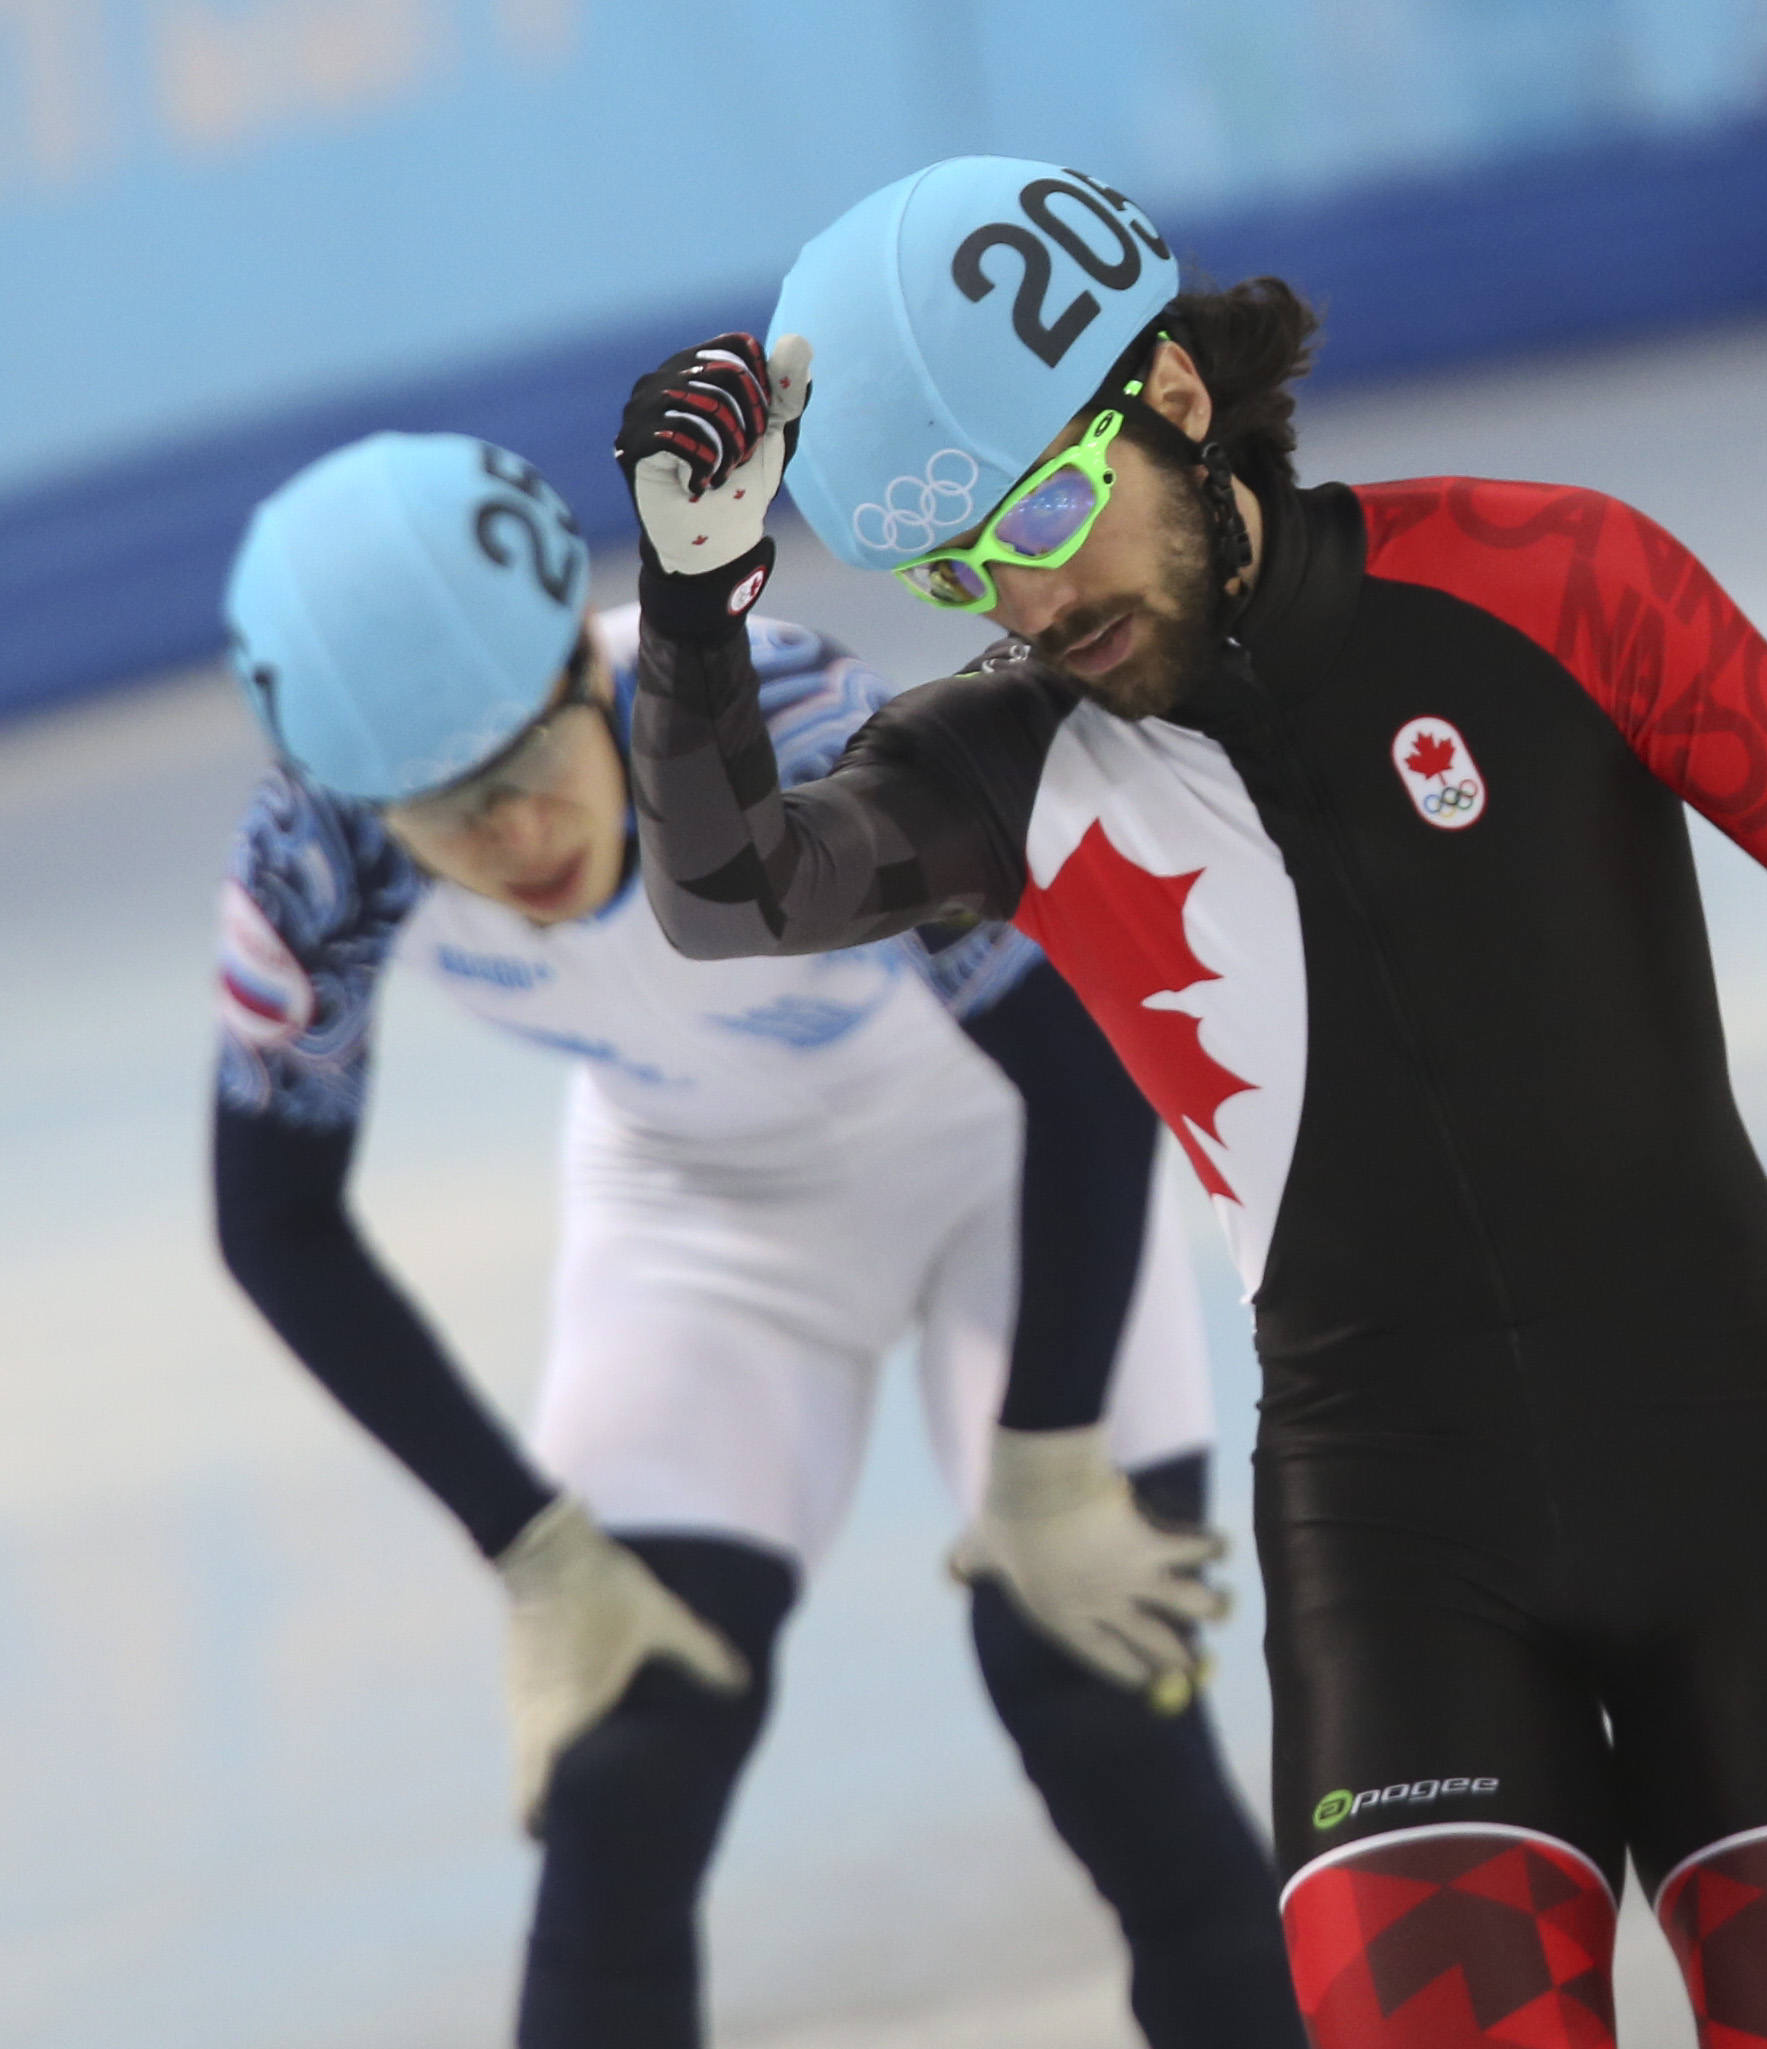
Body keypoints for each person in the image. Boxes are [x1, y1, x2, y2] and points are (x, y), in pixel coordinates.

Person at [609, 154, 1767, 2049]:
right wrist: (692, 616)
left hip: (1744, 1490)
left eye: (1053, 511)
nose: (1028, 598)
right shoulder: (1004, 762)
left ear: (1173, 402)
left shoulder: (1553, 577)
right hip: (1394, 1546)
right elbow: (724, 891)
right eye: (960, 571)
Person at [212, 430, 1302, 2049]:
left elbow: (1080, 1081)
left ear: (586, 686)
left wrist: (1053, 1452)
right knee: (627, 1758)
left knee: (1089, 1692)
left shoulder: (779, 724)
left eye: (522, 774)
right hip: (704, 1212)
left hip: (995, 1160)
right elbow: (274, 1224)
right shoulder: (319, 854)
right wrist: (535, 1548)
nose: (506, 842)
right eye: (444, 820)